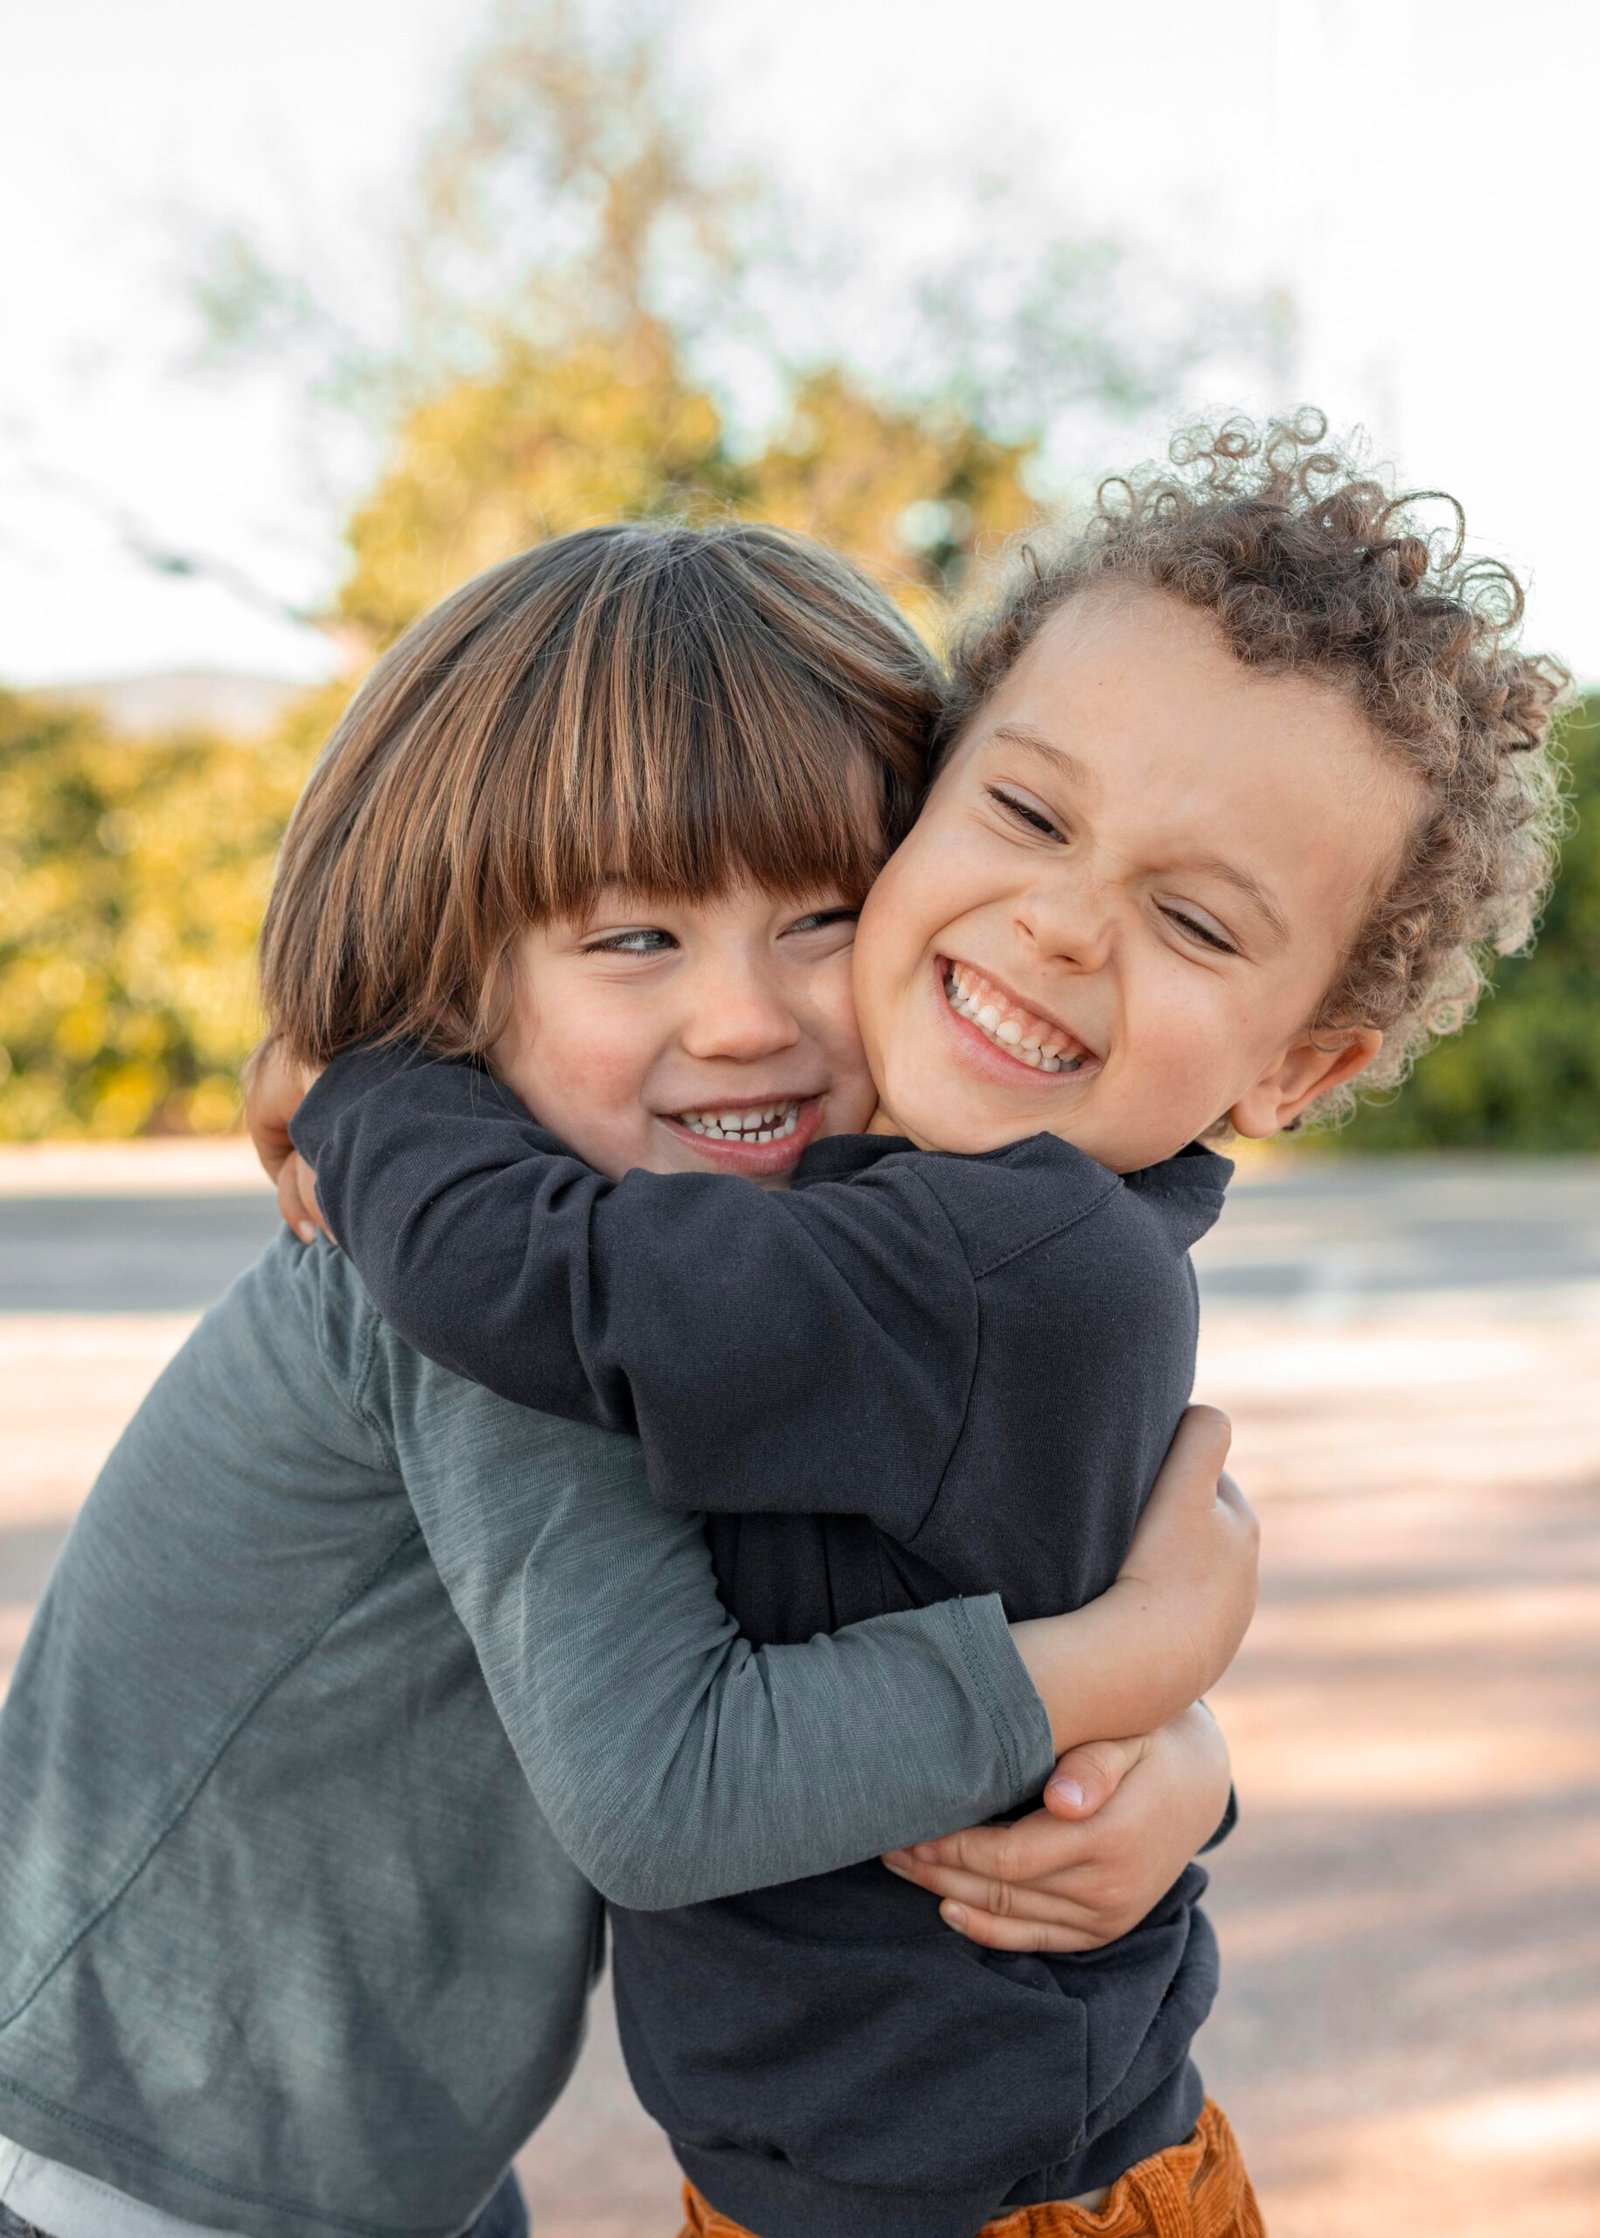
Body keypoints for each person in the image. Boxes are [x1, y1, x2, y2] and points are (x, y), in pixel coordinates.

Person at [274, 415, 1567, 2238]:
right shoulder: (1002, 1216)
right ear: (923, 799)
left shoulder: (995, 1262)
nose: (1055, 923)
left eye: (1191, 919)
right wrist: (1178, 1748)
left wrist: (367, 1076)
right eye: (1028, 814)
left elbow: (555, 1283)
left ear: (1303, 1063)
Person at [0, 521, 1257, 2238]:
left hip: (367, 2160)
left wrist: (1170, 1756)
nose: (744, 1019)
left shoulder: (745, 1264)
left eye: (820, 917)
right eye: (631, 941)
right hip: (118, 2163)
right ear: (459, 972)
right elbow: (669, 1789)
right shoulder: (507, 1305)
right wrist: (1132, 1655)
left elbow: (913, 1598)